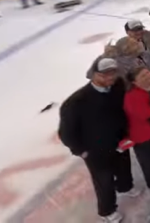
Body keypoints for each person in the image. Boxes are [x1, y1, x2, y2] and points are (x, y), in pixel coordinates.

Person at [58, 58, 138, 223]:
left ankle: (125, 186)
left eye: (113, 73)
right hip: (96, 151)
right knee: (104, 181)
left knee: (124, 166)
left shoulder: (117, 86)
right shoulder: (75, 102)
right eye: (105, 74)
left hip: (119, 140)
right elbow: (66, 133)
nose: (110, 78)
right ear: (94, 74)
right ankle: (107, 211)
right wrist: (81, 151)